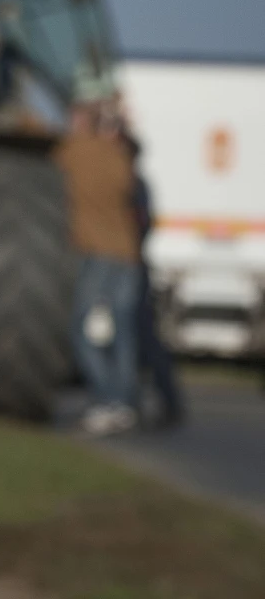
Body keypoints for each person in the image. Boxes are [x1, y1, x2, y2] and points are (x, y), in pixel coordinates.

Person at [54, 95, 143, 435]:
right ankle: (123, 402)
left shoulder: (72, 151)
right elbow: (129, 187)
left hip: (95, 251)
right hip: (126, 253)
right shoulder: (118, 155)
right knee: (122, 331)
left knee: (80, 329)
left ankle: (107, 398)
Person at [122, 128, 185, 428]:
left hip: (131, 266)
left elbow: (142, 224)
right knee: (139, 338)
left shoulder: (134, 186)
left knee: (143, 338)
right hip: (133, 265)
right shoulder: (137, 184)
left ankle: (164, 401)